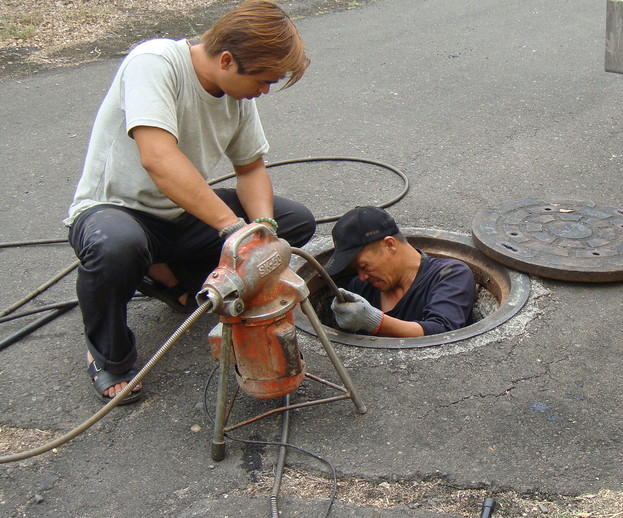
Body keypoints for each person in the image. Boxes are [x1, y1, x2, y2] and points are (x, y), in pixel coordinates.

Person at [64, 0, 315, 404]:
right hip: (116, 211)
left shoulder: (237, 96)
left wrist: (263, 230)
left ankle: (167, 275)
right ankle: (108, 355)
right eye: (264, 81)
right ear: (228, 60)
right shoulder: (155, 62)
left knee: (293, 222)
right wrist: (235, 231)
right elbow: (158, 158)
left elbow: (250, 168)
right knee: (117, 247)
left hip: (181, 213)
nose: (265, 91)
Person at [323, 206, 476, 338]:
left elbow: (443, 332)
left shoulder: (450, 274)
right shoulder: (360, 287)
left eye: (364, 266)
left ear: (390, 245)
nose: (362, 277)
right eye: (355, 269)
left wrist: (375, 322)